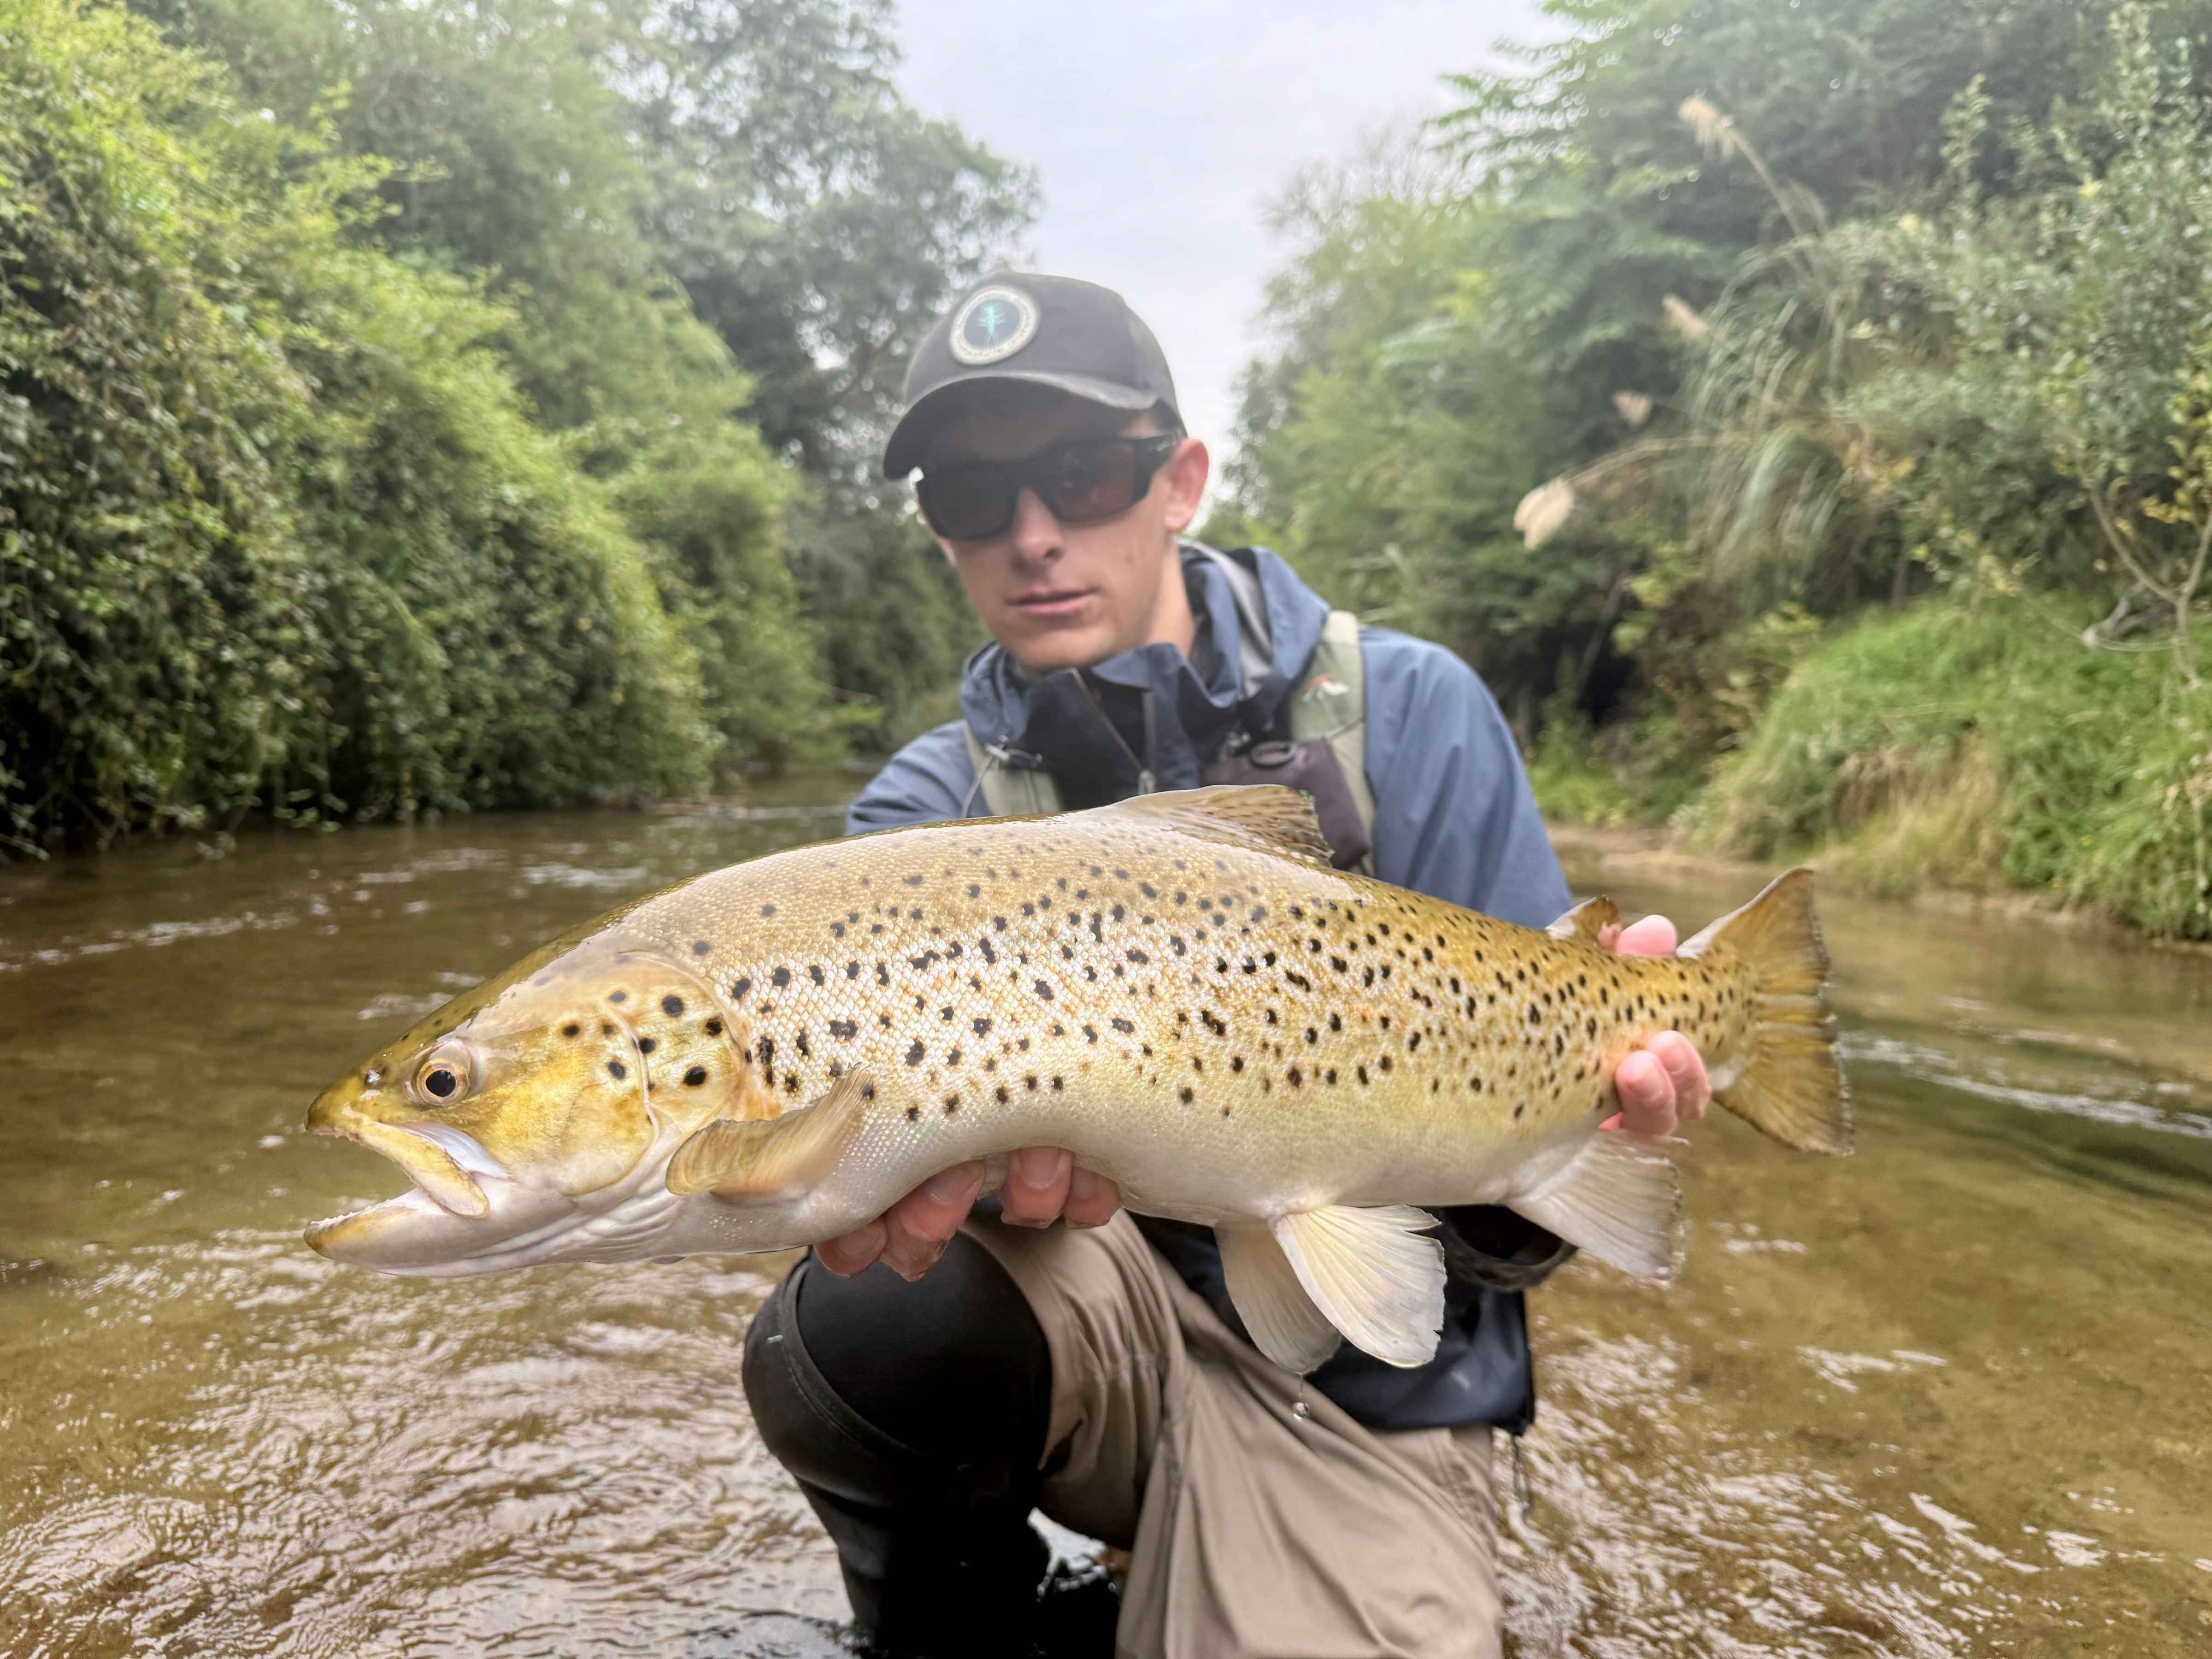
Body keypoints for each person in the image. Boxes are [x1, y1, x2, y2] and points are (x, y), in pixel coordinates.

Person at [740, 273, 1711, 1659]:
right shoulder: (922, 814)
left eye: (1082, 476)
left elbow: (1514, 1243)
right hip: (1105, 1329)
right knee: (853, 1330)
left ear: (1180, 480)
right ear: (938, 532)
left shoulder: (1413, 711)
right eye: (972, 498)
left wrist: (1575, 1138)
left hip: (1372, 1390)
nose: (1032, 537)